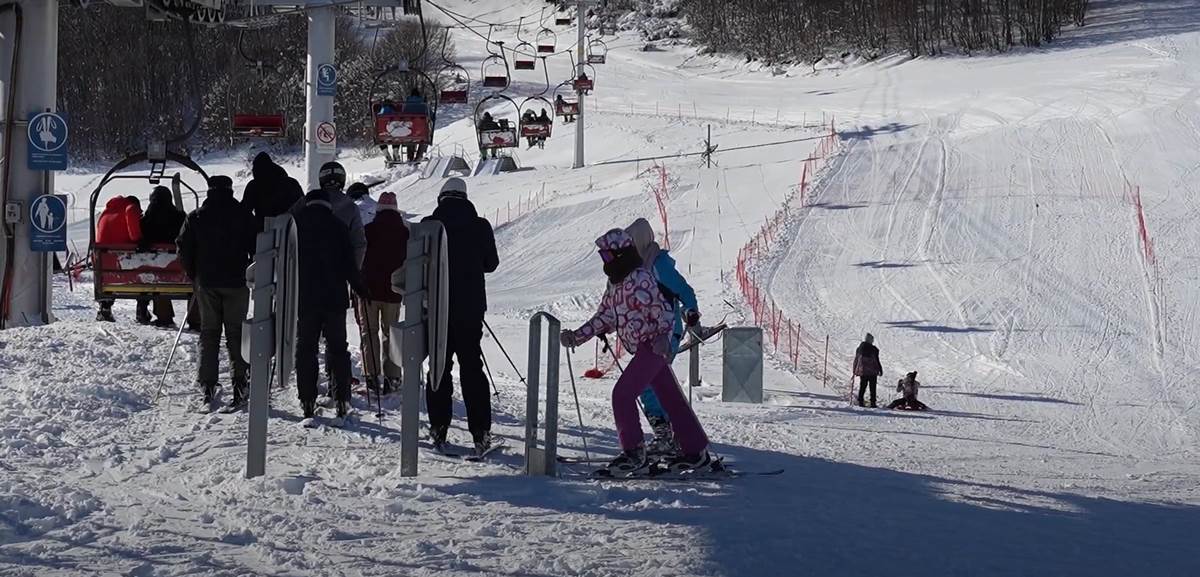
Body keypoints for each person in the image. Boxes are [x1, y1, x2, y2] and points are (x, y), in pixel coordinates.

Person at [561, 229, 712, 476]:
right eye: (603, 257)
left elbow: (663, 310)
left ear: (621, 254)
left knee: (622, 394)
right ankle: (696, 452)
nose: (605, 262)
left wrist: (664, 336)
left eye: (608, 257)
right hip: (642, 347)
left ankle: (634, 453)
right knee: (671, 398)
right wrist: (577, 336)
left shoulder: (641, 277)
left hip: (653, 346)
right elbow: (605, 316)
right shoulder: (615, 284)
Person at [422, 178, 499, 456]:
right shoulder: (480, 225)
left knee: (439, 366)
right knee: (471, 367)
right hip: (470, 308)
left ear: (442, 197)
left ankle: (438, 428)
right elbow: (491, 264)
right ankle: (480, 432)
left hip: (436, 308)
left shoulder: (429, 224)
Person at [176, 176, 256, 408]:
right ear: (230, 190)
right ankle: (240, 382)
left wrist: (194, 275)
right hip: (237, 282)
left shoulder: (197, 216)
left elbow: (183, 249)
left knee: (209, 334)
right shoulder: (243, 215)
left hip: (207, 282)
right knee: (236, 334)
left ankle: (208, 386)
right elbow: (256, 245)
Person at [626, 217, 700, 455]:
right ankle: (675, 437)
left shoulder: (658, 264)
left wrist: (691, 311)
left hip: (667, 332)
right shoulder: (639, 266)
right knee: (655, 384)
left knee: (648, 382)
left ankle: (668, 436)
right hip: (650, 334)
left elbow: (683, 289)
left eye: (631, 243)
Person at [294, 188, 369, 420]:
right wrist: (360, 289)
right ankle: (342, 399)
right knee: (338, 348)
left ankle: (307, 399)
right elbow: (350, 264)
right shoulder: (338, 226)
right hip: (334, 298)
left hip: (305, 297)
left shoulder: (296, 226)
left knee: (306, 348)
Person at [361, 191, 409, 394]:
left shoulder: (368, 230)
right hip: (394, 291)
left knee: (369, 333)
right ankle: (393, 376)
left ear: (378, 209)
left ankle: (371, 375)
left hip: (369, 291)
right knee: (391, 333)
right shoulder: (405, 232)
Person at [291, 161, 366, 268]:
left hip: (304, 266)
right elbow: (359, 244)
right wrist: (353, 274)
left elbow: (287, 222)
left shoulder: (305, 201)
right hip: (336, 270)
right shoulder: (351, 207)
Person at [137, 186, 186, 327]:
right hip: (181, 270)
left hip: (155, 271)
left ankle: (164, 316)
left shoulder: (146, 221)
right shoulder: (180, 217)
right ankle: (195, 319)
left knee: (156, 275)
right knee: (194, 280)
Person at [94, 195, 143, 322]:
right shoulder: (130, 208)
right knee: (145, 266)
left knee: (108, 274)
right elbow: (135, 236)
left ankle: (105, 308)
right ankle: (142, 309)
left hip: (106, 266)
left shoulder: (106, 213)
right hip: (125, 262)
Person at [242, 151, 304, 233]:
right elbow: (302, 206)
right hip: (289, 230)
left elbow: (244, 211)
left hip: (264, 232)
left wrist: (255, 224)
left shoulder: (254, 186)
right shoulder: (291, 183)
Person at [852, 333, 883, 407]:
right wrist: (880, 369)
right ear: (871, 340)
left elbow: (856, 359)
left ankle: (860, 401)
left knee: (863, 386)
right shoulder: (874, 349)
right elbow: (877, 360)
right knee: (873, 388)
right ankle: (873, 403)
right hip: (873, 371)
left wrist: (854, 369)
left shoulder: (859, 349)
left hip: (863, 371)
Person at [402, 89, 429, 163]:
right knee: (425, 137)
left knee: (410, 136)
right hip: (421, 128)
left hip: (410, 129)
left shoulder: (406, 103)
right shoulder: (423, 103)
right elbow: (429, 113)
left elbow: (403, 113)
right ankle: (419, 156)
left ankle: (410, 157)